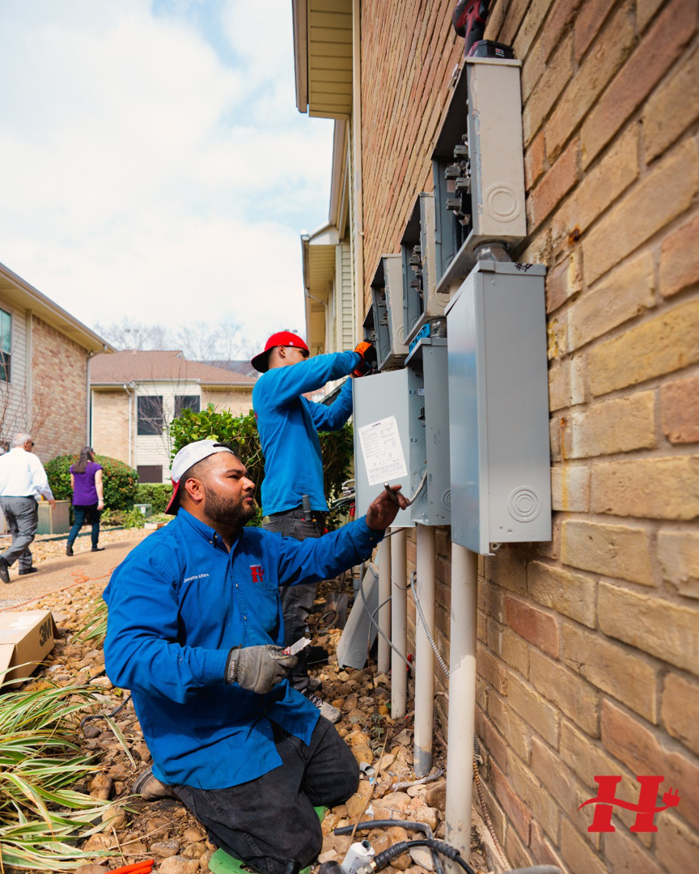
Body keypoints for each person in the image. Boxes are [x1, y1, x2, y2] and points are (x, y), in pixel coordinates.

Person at [103, 439, 406, 874]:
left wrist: (371, 526)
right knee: (295, 846)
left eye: (247, 475)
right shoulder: (153, 561)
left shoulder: (258, 545)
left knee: (340, 779)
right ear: (195, 488)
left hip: (271, 708)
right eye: (235, 476)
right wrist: (230, 665)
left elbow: (317, 556)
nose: (250, 483)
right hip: (205, 732)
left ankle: (259, 789)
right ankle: (181, 778)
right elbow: (128, 656)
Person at [252, 332, 376, 704]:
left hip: (301, 511)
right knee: (293, 608)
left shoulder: (298, 407)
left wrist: (353, 381)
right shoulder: (270, 384)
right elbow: (314, 373)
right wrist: (351, 358)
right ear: (284, 353)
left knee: (296, 606)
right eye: (301, 358)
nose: (303, 366)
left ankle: (295, 679)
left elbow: (336, 418)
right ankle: (295, 693)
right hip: (291, 511)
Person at [0, 433, 56, 583]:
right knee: (27, 534)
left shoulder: (2, 459)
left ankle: (25, 566)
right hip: (23, 500)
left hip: (5, 500)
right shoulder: (30, 458)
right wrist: (50, 498)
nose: (32, 446)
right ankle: (4, 559)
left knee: (17, 533)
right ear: (26, 443)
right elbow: (41, 482)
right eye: (32, 444)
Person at [66, 447, 105, 556]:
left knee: (77, 523)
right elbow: (98, 483)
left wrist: (78, 494)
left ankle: (69, 544)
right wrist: (100, 500)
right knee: (95, 522)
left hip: (78, 500)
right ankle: (94, 546)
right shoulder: (96, 467)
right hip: (92, 499)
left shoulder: (74, 467)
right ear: (91, 454)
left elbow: (73, 484)